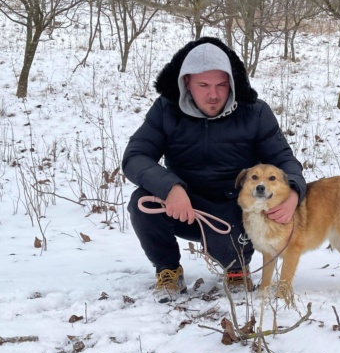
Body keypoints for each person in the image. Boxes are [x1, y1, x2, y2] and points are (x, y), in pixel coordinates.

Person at [123, 36, 306, 296]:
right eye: (204, 85)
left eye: (222, 85)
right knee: (142, 202)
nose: (214, 94)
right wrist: (170, 188)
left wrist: (294, 192)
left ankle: (237, 267)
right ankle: (168, 269)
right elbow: (135, 157)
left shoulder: (255, 112)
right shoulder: (166, 110)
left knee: (252, 208)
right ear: (186, 82)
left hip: (232, 210)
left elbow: (285, 161)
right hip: (182, 206)